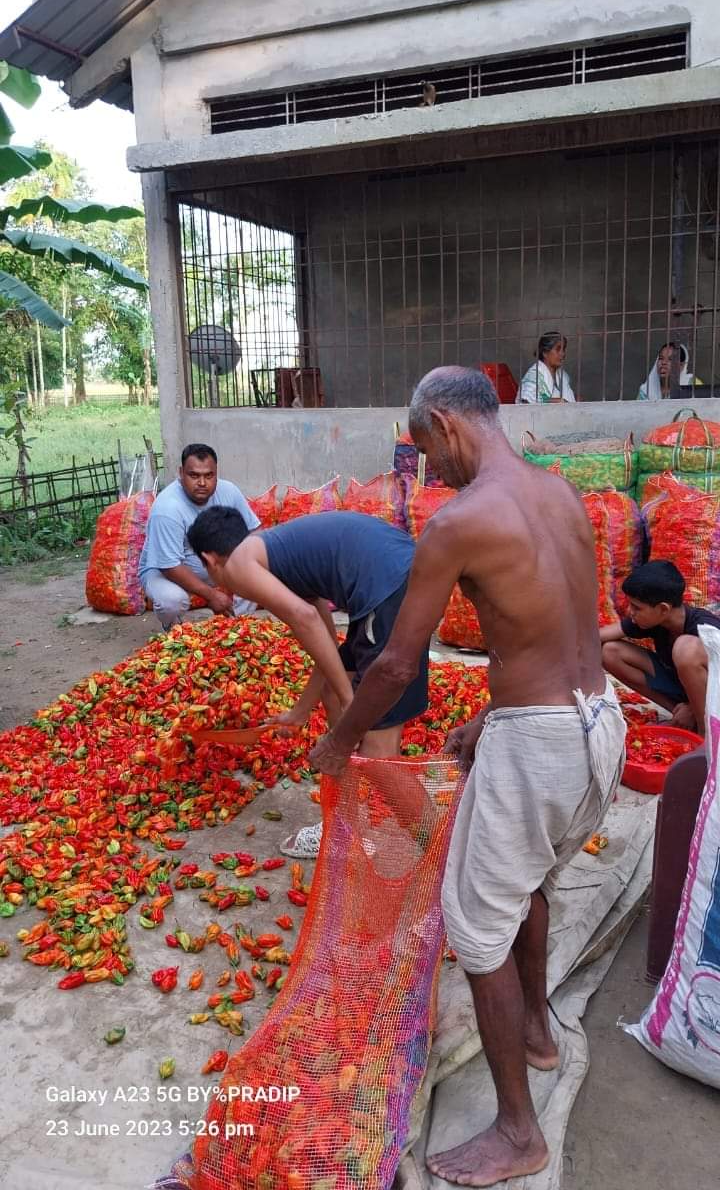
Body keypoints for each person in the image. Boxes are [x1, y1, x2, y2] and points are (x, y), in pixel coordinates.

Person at [309, 366, 626, 1188]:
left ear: (448, 425)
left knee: (476, 927)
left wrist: (340, 743)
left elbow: (392, 666)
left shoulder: (459, 521)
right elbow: (569, 632)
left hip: (545, 746)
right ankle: (540, 1035)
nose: (428, 471)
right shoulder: (559, 493)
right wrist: (494, 714)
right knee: (529, 881)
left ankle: (518, 1131)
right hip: (599, 724)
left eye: (425, 450)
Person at [186, 508, 430, 858]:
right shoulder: (280, 553)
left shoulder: (238, 564)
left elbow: (304, 619)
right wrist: (302, 711)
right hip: (389, 577)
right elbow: (325, 637)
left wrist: (352, 706)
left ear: (209, 560)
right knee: (333, 688)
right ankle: (344, 826)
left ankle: (440, 852)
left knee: (380, 755)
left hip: (387, 584)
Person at [139, 444, 259, 631]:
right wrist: (212, 595)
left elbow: (254, 532)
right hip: (164, 571)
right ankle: (173, 628)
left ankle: (237, 629)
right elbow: (170, 566)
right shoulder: (167, 509)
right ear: (181, 473)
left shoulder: (229, 491)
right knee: (172, 601)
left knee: (256, 570)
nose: (202, 483)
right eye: (194, 475)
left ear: (216, 473)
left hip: (214, 568)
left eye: (208, 476)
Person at [600, 560, 720, 735]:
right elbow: (600, 637)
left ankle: (706, 736)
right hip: (687, 692)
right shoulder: (655, 620)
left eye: (636, 607)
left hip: (715, 695)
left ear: (663, 609)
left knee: (684, 649)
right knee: (610, 652)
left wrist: (693, 709)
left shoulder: (706, 628)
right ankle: (681, 716)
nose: (630, 612)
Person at [516, 331, 576, 404]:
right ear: (545, 353)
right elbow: (526, 400)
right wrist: (555, 401)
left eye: (563, 349)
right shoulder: (534, 374)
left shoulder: (562, 375)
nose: (562, 354)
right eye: (558, 349)